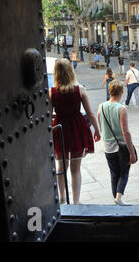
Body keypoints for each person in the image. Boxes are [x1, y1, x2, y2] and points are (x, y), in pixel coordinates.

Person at [49, 58, 101, 204]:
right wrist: (97, 131)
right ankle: (76, 202)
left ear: (56, 74)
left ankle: (61, 196)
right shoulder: (80, 90)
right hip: (77, 128)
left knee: (61, 165)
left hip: (59, 128)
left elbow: (48, 116)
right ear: (70, 72)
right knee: (75, 169)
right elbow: (90, 114)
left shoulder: (52, 92)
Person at [97, 80, 137, 205]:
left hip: (107, 147)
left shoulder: (101, 106)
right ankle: (118, 198)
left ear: (110, 91)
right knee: (124, 172)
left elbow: (101, 124)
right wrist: (131, 152)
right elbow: (126, 133)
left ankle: (115, 199)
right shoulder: (121, 109)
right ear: (121, 92)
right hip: (120, 146)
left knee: (114, 174)